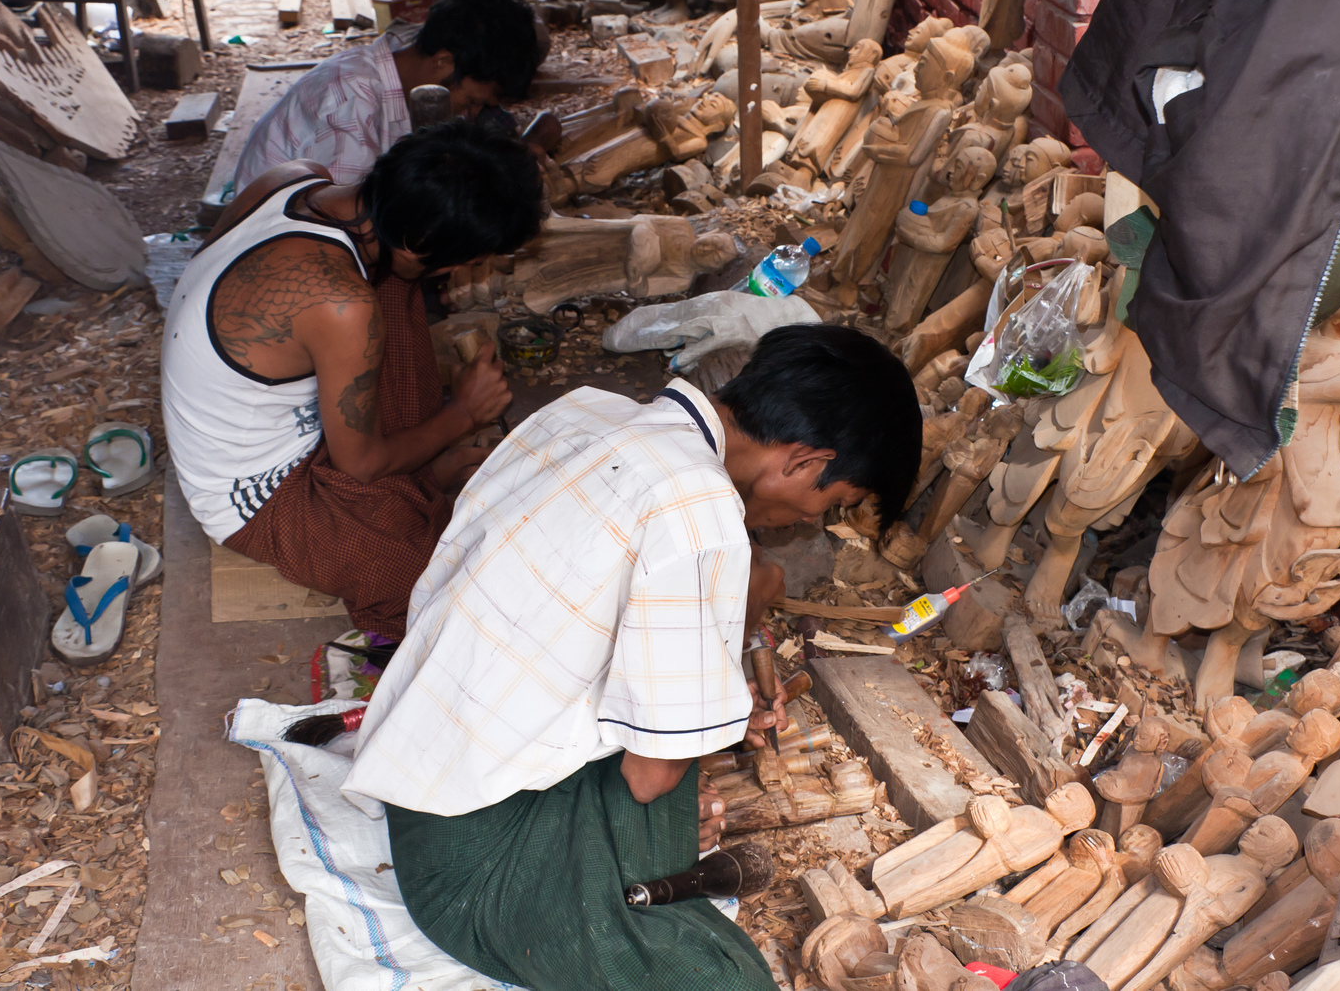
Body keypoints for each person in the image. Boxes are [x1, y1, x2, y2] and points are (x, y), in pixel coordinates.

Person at [342, 325, 923, 991]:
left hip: (423, 756)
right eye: (832, 500)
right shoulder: (698, 514)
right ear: (801, 463)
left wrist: (715, 699)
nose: (811, 518)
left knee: (676, 770)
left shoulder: (587, 409)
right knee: (728, 980)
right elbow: (648, 779)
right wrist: (720, 685)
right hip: (468, 863)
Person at [162, 121, 543, 638]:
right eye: (467, 263)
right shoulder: (341, 305)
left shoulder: (296, 178)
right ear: (420, 239)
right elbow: (360, 467)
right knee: (438, 576)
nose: (460, 275)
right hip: (251, 496)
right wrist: (463, 414)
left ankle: (414, 479)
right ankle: (418, 485)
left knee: (395, 283)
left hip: (258, 416)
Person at [232, 0, 543, 194]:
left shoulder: (413, 69)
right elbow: (349, 223)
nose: (470, 114)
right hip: (277, 252)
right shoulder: (352, 97)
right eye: (471, 101)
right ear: (442, 62)